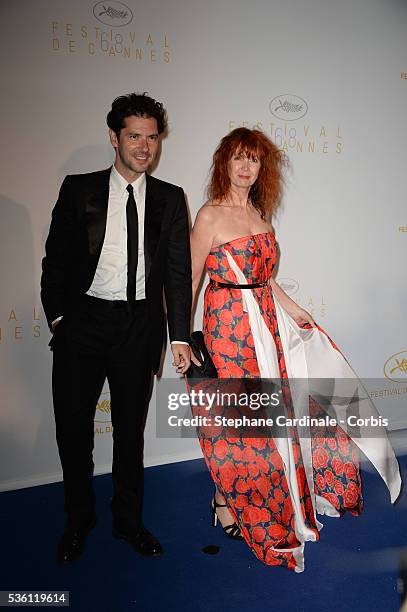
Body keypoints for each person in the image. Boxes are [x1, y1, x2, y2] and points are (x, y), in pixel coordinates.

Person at [190, 127, 401, 572]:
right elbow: (192, 279)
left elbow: (264, 281)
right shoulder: (209, 215)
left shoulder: (261, 216)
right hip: (228, 329)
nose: (246, 168)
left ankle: (237, 497)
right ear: (224, 164)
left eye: (254, 160)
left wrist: (295, 309)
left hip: (266, 324)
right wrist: (184, 337)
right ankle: (228, 502)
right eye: (238, 159)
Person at [41, 92, 192, 564]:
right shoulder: (78, 188)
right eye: (134, 136)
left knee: (130, 434)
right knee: (74, 432)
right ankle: (78, 520)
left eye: (151, 138)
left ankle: (129, 523)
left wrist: (180, 335)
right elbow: (56, 262)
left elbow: (177, 273)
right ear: (114, 137)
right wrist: (61, 318)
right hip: (83, 324)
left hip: (137, 327)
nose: (144, 147)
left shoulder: (170, 198)